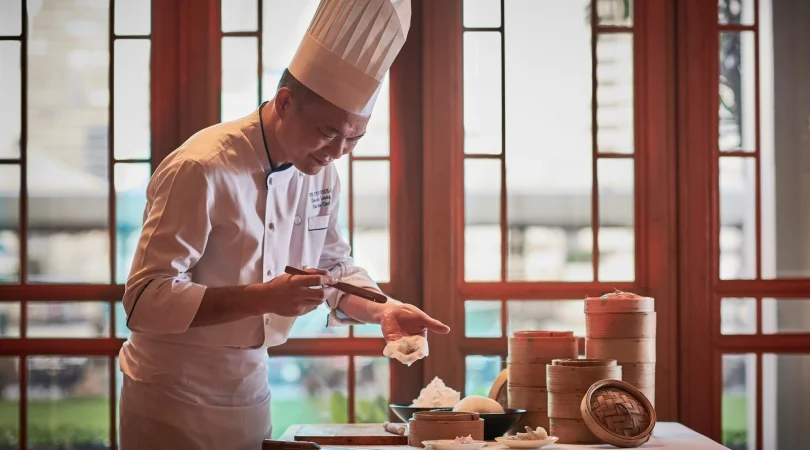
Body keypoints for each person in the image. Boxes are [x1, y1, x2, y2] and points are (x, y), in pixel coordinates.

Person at [117, 1, 449, 448]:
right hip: (170, 395)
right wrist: (266, 297)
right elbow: (145, 300)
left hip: (251, 388)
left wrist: (382, 309)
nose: (337, 151)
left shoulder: (321, 172)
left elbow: (335, 270)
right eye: (328, 132)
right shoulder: (202, 167)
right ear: (286, 102)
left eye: (354, 138)